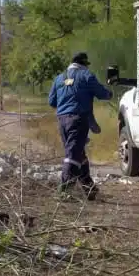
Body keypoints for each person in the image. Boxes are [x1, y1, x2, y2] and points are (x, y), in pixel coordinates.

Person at [47, 51, 112, 199]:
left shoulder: (59, 78)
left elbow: (52, 102)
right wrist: (110, 94)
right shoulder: (86, 76)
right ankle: (63, 191)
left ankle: (90, 189)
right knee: (72, 155)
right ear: (83, 64)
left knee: (77, 153)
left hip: (62, 121)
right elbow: (102, 93)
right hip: (78, 120)